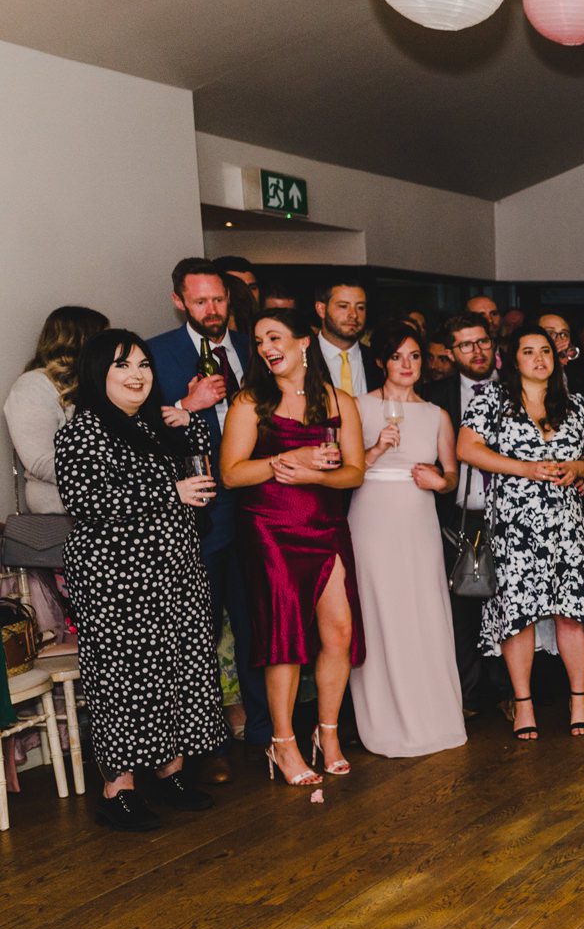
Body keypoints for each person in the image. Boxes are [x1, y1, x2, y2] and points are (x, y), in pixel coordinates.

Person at [57, 330, 227, 830]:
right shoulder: (84, 430)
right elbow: (87, 502)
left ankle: (171, 770)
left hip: (174, 571)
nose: (137, 375)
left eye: (143, 365)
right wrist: (169, 490)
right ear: (97, 374)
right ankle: (119, 789)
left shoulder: (154, 423)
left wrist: (187, 422)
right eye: (122, 366)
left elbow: (199, 473)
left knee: (179, 666)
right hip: (118, 579)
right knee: (126, 678)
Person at [220, 306, 367, 786]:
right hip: (270, 528)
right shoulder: (250, 401)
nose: (267, 347)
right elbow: (232, 473)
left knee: (339, 632)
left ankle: (328, 734)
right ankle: (282, 743)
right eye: (260, 340)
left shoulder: (339, 401)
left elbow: (354, 471)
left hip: (325, 525)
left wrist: (312, 473)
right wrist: (287, 460)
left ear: (304, 342)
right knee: (284, 638)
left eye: (276, 336)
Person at [456, 324, 584, 741]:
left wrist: (578, 469)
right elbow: (466, 449)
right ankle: (523, 704)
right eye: (529, 351)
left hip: (566, 524)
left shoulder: (574, 405)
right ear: (513, 359)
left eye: (545, 351)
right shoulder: (493, 402)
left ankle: (580, 699)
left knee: (572, 613)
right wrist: (524, 468)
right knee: (518, 615)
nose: (540, 358)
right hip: (514, 525)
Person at [149, 257, 270, 753]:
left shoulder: (252, 348)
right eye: (200, 301)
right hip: (201, 514)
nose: (212, 309)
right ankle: (206, 745)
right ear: (180, 301)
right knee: (198, 635)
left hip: (261, 506)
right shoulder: (155, 354)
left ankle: (268, 731)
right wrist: (186, 406)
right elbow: (139, 433)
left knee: (258, 628)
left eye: (219, 299)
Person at [347, 324, 465, 759]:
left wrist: (438, 481)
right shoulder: (358, 407)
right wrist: (376, 450)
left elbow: (451, 475)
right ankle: (383, 720)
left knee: (422, 608)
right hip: (372, 515)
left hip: (418, 521)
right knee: (379, 610)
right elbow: (342, 469)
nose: (408, 365)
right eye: (398, 356)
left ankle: (431, 715)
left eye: (415, 356)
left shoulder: (436, 415)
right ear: (382, 361)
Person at [422, 313, 505, 716]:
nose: (478, 351)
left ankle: (510, 692)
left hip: (512, 514)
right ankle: (468, 697)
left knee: (510, 605)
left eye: (483, 342)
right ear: (451, 353)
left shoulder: (516, 390)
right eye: (467, 345)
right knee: (464, 605)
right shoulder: (435, 397)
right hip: (462, 515)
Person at [8, 305, 108, 514]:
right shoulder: (32, 386)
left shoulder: (98, 385)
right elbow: (41, 461)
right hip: (61, 516)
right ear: (80, 342)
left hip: (112, 508)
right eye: (102, 341)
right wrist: (112, 476)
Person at [315, 276, 377, 399]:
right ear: (321, 309)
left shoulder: (377, 360)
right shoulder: (301, 358)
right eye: (343, 306)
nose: (353, 315)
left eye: (360, 307)